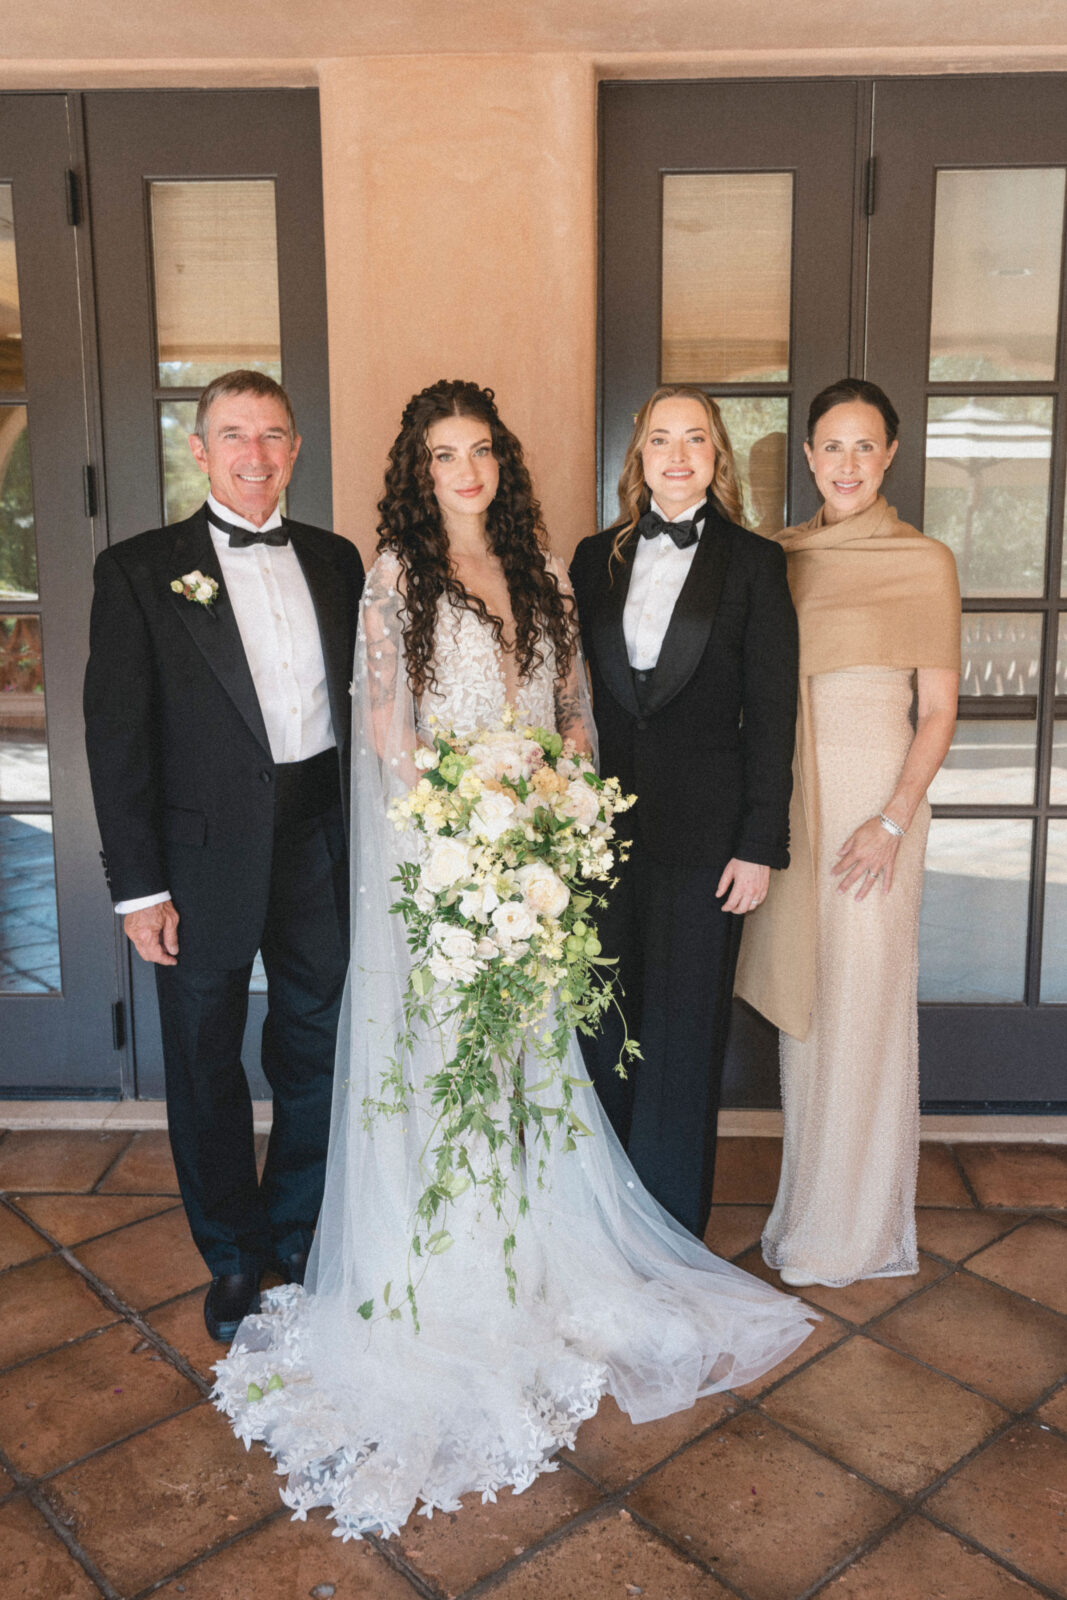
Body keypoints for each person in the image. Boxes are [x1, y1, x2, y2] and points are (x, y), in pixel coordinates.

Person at [213, 379, 814, 1540]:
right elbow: (387, 729)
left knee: (539, 1061)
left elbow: (576, 709)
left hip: (535, 855)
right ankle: (451, 1267)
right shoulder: (396, 575)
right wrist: (468, 810)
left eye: (479, 450)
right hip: (448, 857)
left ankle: (540, 1256)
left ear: (501, 460)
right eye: (444, 455)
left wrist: (554, 798)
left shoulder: (545, 570)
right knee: (451, 1059)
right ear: (419, 470)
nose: (466, 471)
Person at [83, 370, 364, 1341]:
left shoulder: (335, 559)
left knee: (317, 1046)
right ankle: (234, 1257)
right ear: (198, 450)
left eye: (274, 434)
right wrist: (139, 889)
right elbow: (115, 742)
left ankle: (294, 1237)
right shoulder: (137, 570)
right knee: (204, 1063)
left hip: (319, 844)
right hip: (197, 862)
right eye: (235, 435)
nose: (256, 454)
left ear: (294, 449)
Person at [736, 377, 960, 1288]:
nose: (847, 464)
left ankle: (857, 1228)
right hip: (796, 802)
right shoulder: (778, 556)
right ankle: (808, 1207)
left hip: (876, 809)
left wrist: (891, 820)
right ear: (807, 456)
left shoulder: (924, 561)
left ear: (891, 455)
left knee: (865, 1006)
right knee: (810, 1005)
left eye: (865, 446)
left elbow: (938, 710)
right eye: (831, 446)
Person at [570, 385, 798, 1239]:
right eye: (659, 439)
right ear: (639, 457)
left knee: (684, 1031)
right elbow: (574, 697)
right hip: (598, 839)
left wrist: (759, 844)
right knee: (604, 1025)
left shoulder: (754, 562)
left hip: (708, 839)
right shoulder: (592, 558)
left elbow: (772, 714)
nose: (675, 455)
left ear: (716, 457)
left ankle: (671, 1229)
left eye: (693, 439)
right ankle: (605, 1221)